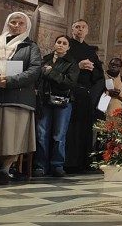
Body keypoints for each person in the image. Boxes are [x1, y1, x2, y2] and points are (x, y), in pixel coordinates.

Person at [0, 12, 41, 185]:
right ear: (7, 23)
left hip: (17, 97)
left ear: (27, 27)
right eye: (13, 22)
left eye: (20, 23)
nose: (16, 25)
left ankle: (4, 169)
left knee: (12, 136)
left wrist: (10, 81)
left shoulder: (31, 47)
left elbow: (34, 70)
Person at [34, 35, 78, 178]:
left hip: (63, 102)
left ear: (68, 47)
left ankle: (57, 165)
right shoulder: (45, 59)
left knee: (59, 135)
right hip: (45, 100)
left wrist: (51, 72)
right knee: (42, 134)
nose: (61, 45)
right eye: (58, 42)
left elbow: (70, 82)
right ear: (54, 44)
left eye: (64, 43)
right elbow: (38, 78)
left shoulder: (71, 62)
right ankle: (41, 166)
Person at [64, 19, 104, 173]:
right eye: (77, 27)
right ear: (72, 29)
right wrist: (78, 66)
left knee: (84, 129)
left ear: (87, 31)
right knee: (69, 128)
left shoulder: (90, 51)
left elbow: (99, 75)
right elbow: (60, 66)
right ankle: (68, 162)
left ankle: (83, 162)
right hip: (70, 93)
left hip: (86, 95)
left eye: (83, 27)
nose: (80, 30)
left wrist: (92, 68)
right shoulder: (66, 46)